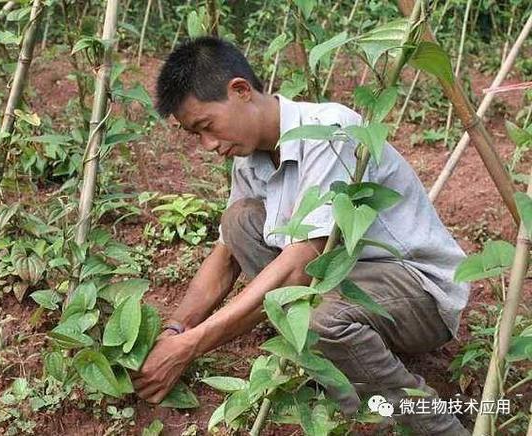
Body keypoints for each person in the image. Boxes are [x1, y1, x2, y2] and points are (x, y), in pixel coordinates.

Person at [131, 36, 471, 435]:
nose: (208, 145)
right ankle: (339, 353)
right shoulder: (249, 159)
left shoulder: (329, 131)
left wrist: (192, 347)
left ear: (240, 90)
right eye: (195, 136)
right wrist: (176, 330)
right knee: (239, 221)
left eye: (207, 126)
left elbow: (300, 268)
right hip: (350, 283)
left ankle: (431, 424)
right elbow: (225, 259)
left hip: (418, 293)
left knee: (315, 316)